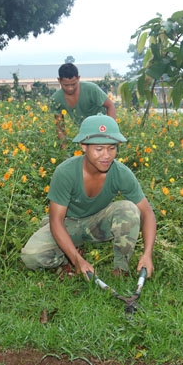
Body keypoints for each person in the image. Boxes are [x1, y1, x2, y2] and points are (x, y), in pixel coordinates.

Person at [21, 114, 156, 279]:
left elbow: (147, 213)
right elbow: (56, 221)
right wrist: (77, 260)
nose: (106, 155)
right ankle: (68, 260)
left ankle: (121, 268)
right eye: (99, 149)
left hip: (97, 223)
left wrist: (147, 254)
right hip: (67, 225)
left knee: (129, 209)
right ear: (84, 146)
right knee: (30, 256)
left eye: (112, 148)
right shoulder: (65, 172)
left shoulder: (121, 173)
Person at [52, 63, 116, 149]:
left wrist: (112, 133)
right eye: (66, 85)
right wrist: (64, 149)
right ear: (59, 80)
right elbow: (60, 126)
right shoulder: (56, 99)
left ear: (78, 78)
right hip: (85, 135)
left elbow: (110, 106)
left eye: (73, 84)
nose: (70, 88)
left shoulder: (91, 89)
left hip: (102, 130)